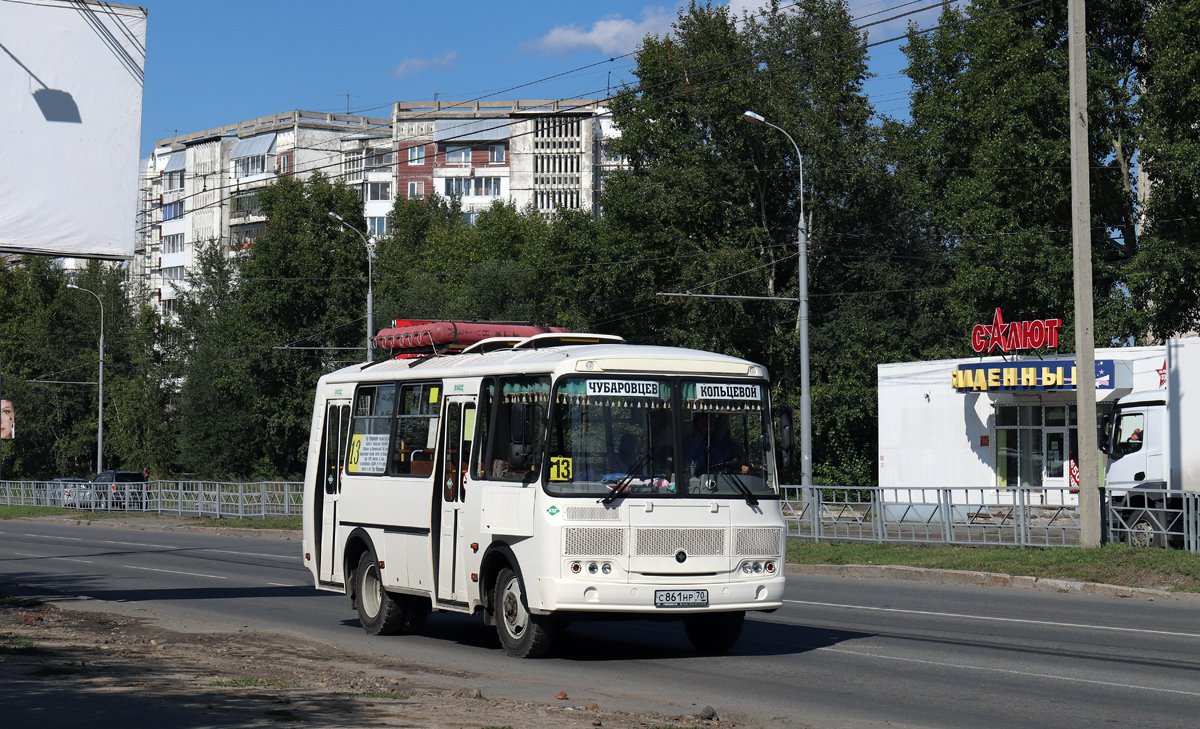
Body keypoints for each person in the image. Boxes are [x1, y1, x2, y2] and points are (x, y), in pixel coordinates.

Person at [683, 413, 748, 475]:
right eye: (704, 425)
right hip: (698, 481)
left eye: (711, 424)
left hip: (725, 479)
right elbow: (684, 465)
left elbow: (740, 454)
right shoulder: (689, 443)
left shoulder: (722, 440)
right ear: (696, 426)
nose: (708, 428)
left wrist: (743, 465)